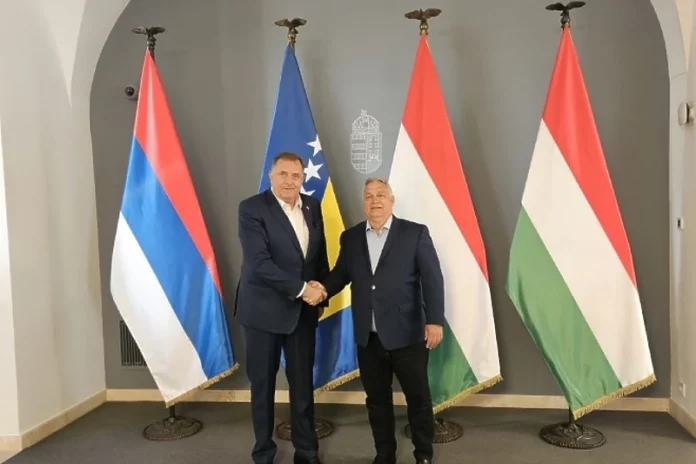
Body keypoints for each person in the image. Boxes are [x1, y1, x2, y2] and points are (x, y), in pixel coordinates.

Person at [312, 177, 444, 464]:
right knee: (376, 402)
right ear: (364, 203)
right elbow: (340, 275)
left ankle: (423, 454)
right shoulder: (351, 238)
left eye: (381, 195)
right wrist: (320, 290)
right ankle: (385, 454)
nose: (375, 200)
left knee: (418, 400)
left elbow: (433, 280)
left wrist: (435, 321)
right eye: (369, 196)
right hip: (368, 339)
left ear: (391, 200)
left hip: (408, 336)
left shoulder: (415, 233)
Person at [235, 151, 328, 464]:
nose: (290, 181)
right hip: (262, 313)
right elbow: (259, 263)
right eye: (283, 174)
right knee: (263, 388)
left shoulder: (312, 206)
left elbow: (318, 255)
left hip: (302, 314)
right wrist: (304, 290)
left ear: (302, 178)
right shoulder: (251, 208)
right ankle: (263, 453)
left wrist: (321, 293)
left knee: (303, 387)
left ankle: (307, 451)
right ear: (271, 176)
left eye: (296, 175)